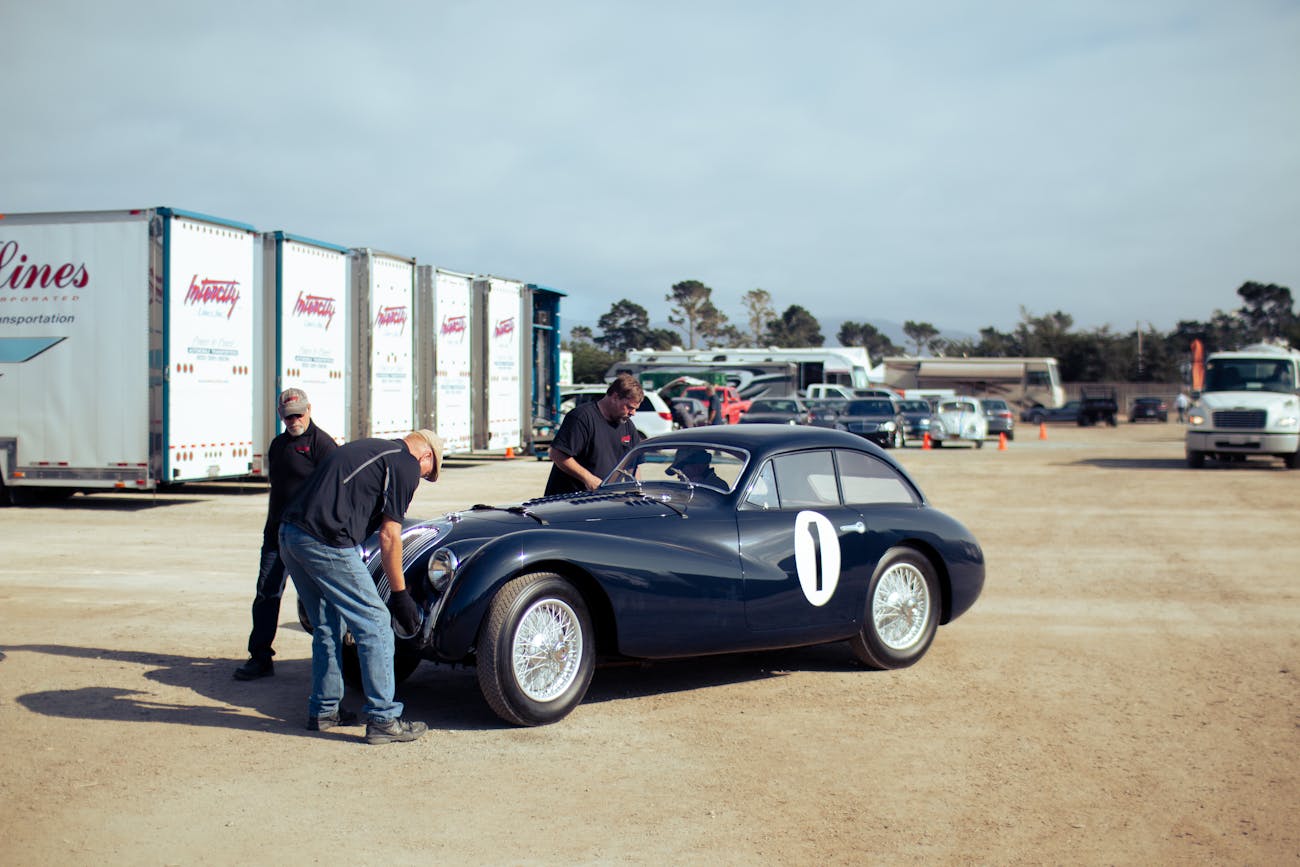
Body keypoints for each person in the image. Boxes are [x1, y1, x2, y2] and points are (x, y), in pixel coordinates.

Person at [278, 429, 444, 744]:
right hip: (324, 540)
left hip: (291, 535)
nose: (421, 479)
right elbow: (390, 535)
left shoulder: (368, 449)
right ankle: (384, 719)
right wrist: (400, 595)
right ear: (426, 456)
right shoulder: (404, 463)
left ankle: (324, 710)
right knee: (376, 622)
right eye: (428, 473)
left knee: (328, 621)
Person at [233, 388, 338, 681]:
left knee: (320, 599)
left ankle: (329, 663)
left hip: (310, 537)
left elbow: (335, 491)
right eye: (288, 415)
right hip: (276, 535)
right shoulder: (278, 445)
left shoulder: (323, 445)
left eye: (299, 414)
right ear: (280, 414)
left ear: (309, 410)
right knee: (266, 593)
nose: (294, 420)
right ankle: (260, 657)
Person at [544, 373, 644, 496]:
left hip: (606, 500)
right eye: (629, 407)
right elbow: (557, 453)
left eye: (635, 409)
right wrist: (588, 478)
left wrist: (635, 493)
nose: (633, 413)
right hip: (570, 502)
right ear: (615, 397)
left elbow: (633, 466)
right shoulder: (581, 418)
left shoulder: (628, 426)